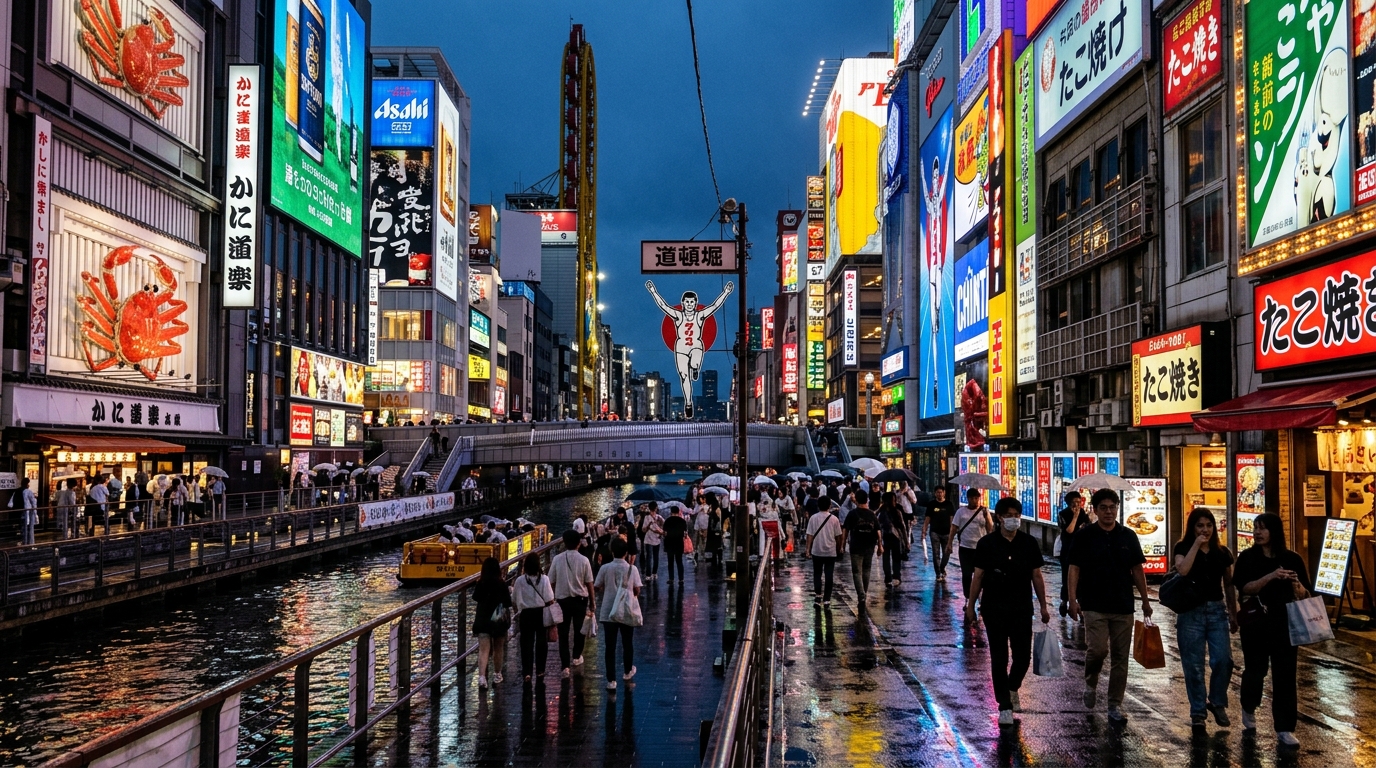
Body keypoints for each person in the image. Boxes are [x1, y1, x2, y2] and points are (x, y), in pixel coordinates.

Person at [1066, 488, 1152, 722]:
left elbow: (1137, 569)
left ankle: (1115, 704)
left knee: (1120, 657)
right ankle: (1091, 682)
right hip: (1093, 603)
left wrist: (1145, 601)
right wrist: (1073, 600)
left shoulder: (1128, 535)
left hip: (1123, 604)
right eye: (1103, 507)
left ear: (1117, 509)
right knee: (1098, 650)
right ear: (1095, 510)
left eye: (1112, 507)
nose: (1108, 512)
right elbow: (1074, 568)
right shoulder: (1085, 536)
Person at [964, 497, 1050, 725]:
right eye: (1009, 515)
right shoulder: (987, 544)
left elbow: (1037, 576)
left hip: (1022, 608)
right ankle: (1004, 704)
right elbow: (978, 576)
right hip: (994, 608)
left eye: (1017, 515)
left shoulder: (1029, 543)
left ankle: (1013, 687)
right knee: (999, 657)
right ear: (1000, 517)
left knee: (1023, 656)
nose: (1014, 519)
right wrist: (970, 606)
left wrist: (1043, 605)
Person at [1234, 513, 1310, 748]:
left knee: (1285, 676)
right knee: (1255, 671)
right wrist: (1271, 576)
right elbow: (1245, 587)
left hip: (1285, 624)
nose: (1257, 532)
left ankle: (1285, 728)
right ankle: (1248, 706)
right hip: (1256, 623)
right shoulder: (1247, 558)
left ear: (1274, 531)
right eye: (1255, 528)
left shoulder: (1292, 559)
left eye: (1263, 528)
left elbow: (1307, 593)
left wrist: (1297, 587)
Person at [1172, 506, 1238, 730]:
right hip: (1191, 612)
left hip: (1217, 611)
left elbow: (1228, 584)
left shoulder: (1223, 552)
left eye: (1209, 525)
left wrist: (1233, 612)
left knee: (1223, 660)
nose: (1205, 529)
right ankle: (1198, 711)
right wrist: (1196, 545)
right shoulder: (1182, 547)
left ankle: (1217, 700)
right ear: (1192, 527)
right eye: (1200, 525)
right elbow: (1182, 570)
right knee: (1194, 666)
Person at [645, 280, 733, 418]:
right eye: (687, 302)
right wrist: (653, 291)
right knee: (684, 377)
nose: (690, 304)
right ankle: (688, 403)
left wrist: (726, 293)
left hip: (696, 345)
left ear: (696, 303)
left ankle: (695, 368)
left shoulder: (700, 315)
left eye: (692, 302)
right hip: (681, 347)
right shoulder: (678, 316)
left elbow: (715, 306)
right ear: (683, 303)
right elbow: (663, 306)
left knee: (695, 360)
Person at [594, 536, 642, 690]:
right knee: (627, 643)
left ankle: (611, 680)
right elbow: (637, 590)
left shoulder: (605, 568)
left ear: (612, 551)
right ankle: (627, 671)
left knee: (610, 646)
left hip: (609, 610)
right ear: (626, 552)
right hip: (626, 610)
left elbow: (597, 586)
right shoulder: (632, 569)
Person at [549, 530, 595, 679]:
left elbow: (551, 581)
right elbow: (589, 584)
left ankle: (565, 667)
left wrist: (552, 600)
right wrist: (593, 603)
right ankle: (576, 656)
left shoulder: (557, 559)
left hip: (562, 601)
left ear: (564, 542)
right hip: (580, 600)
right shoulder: (584, 560)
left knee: (563, 634)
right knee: (579, 630)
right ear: (578, 543)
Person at [512, 552, 555, 684]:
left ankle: (527, 673)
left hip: (526, 614)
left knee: (526, 643)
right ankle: (540, 670)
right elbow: (550, 599)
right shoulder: (544, 579)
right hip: (541, 613)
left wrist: (517, 612)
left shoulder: (519, 581)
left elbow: (514, 600)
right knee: (541, 641)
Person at [471, 556, 512, 689]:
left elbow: (475, 597)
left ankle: (482, 678)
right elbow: (507, 602)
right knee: (498, 647)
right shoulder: (502, 584)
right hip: (498, 620)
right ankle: (497, 674)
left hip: (482, 619)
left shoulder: (481, 583)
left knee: (483, 649)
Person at [953, 489, 994, 598]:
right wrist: (949, 544)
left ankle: (980, 596)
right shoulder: (961, 512)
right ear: (968, 499)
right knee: (966, 575)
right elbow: (954, 527)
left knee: (980, 574)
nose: (974, 501)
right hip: (965, 548)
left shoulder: (984, 511)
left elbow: (989, 529)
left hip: (980, 549)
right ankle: (968, 597)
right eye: (972, 498)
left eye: (976, 498)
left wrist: (986, 516)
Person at [804, 496, 842, 606]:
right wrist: (839, 548)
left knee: (817, 574)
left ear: (818, 505)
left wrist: (807, 549)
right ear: (830, 505)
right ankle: (827, 599)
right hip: (830, 552)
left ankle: (818, 595)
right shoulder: (834, 519)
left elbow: (809, 535)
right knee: (829, 575)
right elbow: (838, 536)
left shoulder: (813, 518)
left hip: (817, 551)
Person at [1056, 491, 1088, 614]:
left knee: (1081, 578)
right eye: (1074, 502)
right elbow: (1069, 531)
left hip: (1081, 550)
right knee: (1067, 577)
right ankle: (1065, 601)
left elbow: (1087, 527)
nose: (1077, 505)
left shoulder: (1083, 513)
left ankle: (1079, 603)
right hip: (1067, 551)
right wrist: (1075, 517)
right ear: (1069, 503)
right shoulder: (1063, 514)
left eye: (1079, 502)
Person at [877, 491, 909, 588]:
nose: (895, 502)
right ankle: (895, 577)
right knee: (893, 558)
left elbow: (903, 526)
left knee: (889, 559)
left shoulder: (883, 512)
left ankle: (890, 578)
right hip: (893, 537)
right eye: (893, 500)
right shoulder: (887, 512)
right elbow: (903, 527)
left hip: (888, 537)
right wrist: (906, 541)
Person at [924, 486, 956, 578]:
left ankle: (942, 567)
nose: (939, 494)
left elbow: (951, 519)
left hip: (947, 533)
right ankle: (938, 573)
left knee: (947, 553)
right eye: (937, 492)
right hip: (935, 532)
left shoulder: (949, 504)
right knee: (936, 553)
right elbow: (927, 518)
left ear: (944, 493)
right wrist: (924, 530)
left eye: (941, 492)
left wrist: (952, 532)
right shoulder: (931, 504)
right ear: (935, 493)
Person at [663, 506, 689, 583]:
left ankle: (671, 578)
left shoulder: (667, 521)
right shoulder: (682, 521)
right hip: (679, 543)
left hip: (669, 543)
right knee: (679, 561)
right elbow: (685, 533)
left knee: (670, 562)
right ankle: (681, 579)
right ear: (678, 512)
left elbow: (665, 533)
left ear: (671, 512)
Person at [640, 504, 663, 580]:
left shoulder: (659, 518)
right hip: (649, 540)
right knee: (650, 557)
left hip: (656, 539)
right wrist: (649, 525)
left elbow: (664, 526)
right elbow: (643, 530)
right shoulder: (647, 518)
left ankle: (653, 573)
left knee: (654, 557)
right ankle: (649, 574)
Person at [18, 478, 37, 545]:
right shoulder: (28, 492)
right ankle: (29, 543)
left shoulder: (18, 491)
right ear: (27, 484)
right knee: (29, 528)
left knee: (22, 528)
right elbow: (33, 502)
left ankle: (24, 541)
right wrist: (35, 513)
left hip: (20, 512)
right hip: (28, 512)